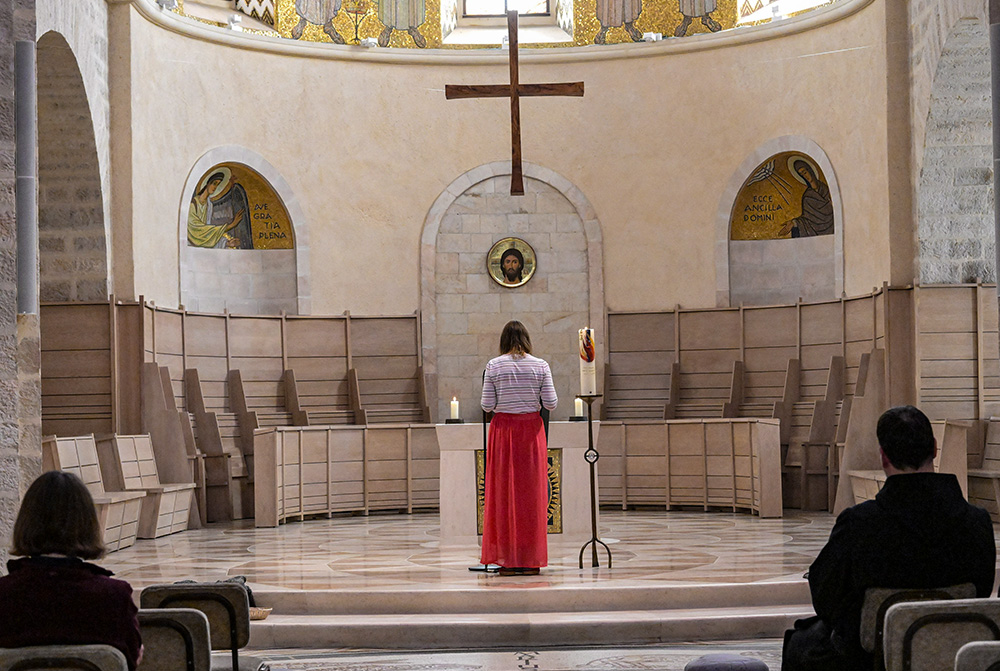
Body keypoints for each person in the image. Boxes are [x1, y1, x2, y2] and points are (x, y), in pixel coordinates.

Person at [782, 405, 995, 671]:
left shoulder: (859, 523)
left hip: (869, 660)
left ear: (883, 457)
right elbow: (981, 591)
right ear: (935, 448)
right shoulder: (976, 521)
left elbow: (825, 597)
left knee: (802, 644)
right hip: (951, 652)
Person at [0, 471, 143, 670]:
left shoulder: (4, 595)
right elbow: (131, 660)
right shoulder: (114, 597)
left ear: (26, 523)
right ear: (88, 524)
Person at [480, 320, 558, 576]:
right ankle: (530, 559)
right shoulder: (541, 365)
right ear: (527, 339)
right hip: (530, 432)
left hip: (504, 433)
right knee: (531, 496)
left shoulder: (494, 365)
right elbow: (551, 403)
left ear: (503, 341)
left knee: (503, 494)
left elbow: (487, 405)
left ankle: (507, 559)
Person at [778, 160, 834, 238]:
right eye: (801, 175)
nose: (805, 176)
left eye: (805, 172)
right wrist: (794, 223)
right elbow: (807, 220)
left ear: (810, 170)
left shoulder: (826, 189)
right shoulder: (807, 196)